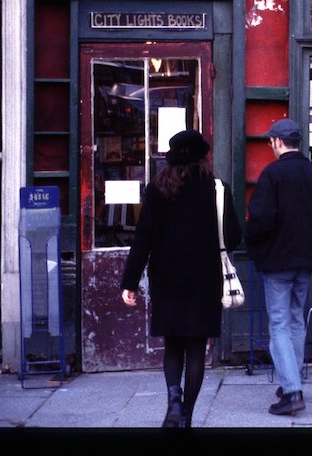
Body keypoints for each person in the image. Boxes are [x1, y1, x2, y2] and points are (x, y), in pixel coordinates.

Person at [120, 129, 242, 428]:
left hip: (168, 276)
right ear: (203, 156)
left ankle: (173, 400)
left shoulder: (157, 189)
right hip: (205, 278)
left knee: (173, 344)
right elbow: (235, 237)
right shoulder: (218, 189)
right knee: (196, 348)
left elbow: (143, 239)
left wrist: (129, 283)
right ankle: (185, 415)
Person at [245, 118, 312, 416]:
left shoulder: (272, 175)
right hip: (307, 262)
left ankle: (293, 391)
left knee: (280, 324)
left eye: (270, 142)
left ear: (276, 142)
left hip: (278, 262)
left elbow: (260, 220)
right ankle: (291, 380)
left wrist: (254, 245)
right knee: (296, 321)